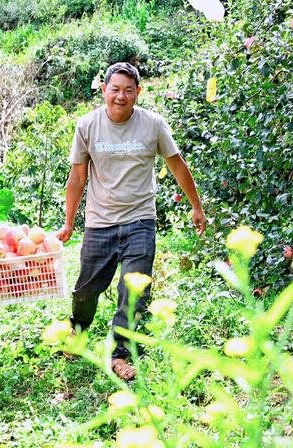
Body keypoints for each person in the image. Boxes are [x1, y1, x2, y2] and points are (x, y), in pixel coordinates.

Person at [56, 62, 206, 381]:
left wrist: (196, 206)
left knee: (134, 290)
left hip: (140, 219)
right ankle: (78, 331)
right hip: (100, 222)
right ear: (103, 90)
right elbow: (77, 176)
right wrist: (69, 223)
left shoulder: (153, 125)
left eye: (128, 90)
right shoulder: (87, 125)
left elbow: (177, 165)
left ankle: (119, 352)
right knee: (86, 290)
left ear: (138, 92)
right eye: (115, 89)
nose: (121, 96)